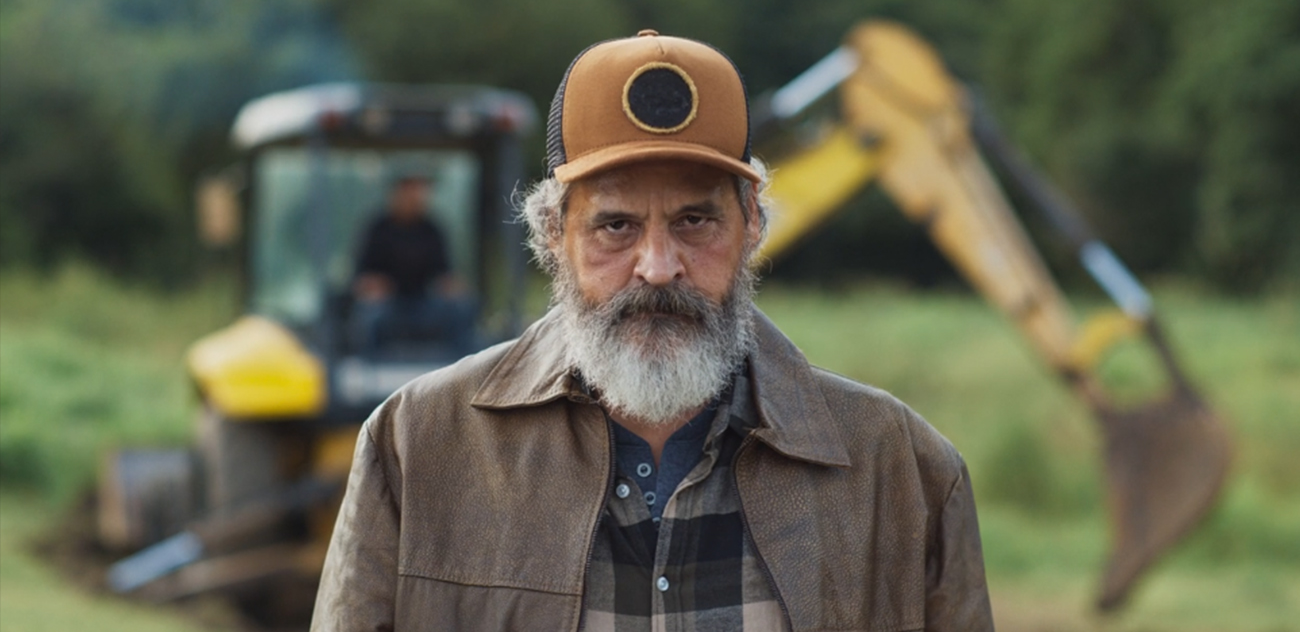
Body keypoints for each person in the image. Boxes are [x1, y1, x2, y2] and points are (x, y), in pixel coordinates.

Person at [313, 31, 993, 631]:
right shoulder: (415, 447)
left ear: (752, 222)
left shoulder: (904, 472)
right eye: (616, 226)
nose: (659, 268)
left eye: (694, 222)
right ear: (554, 233)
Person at [350, 174, 475, 356]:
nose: (416, 197)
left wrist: (453, 288)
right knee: (369, 315)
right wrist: (373, 286)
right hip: (387, 306)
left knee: (462, 308)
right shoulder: (377, 228)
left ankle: (460, 369)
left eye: (420, 191)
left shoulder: (432, 229)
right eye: (410, 191)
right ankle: (370, 370)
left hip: (424, 304)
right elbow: (360, 279)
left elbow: (443, 274)